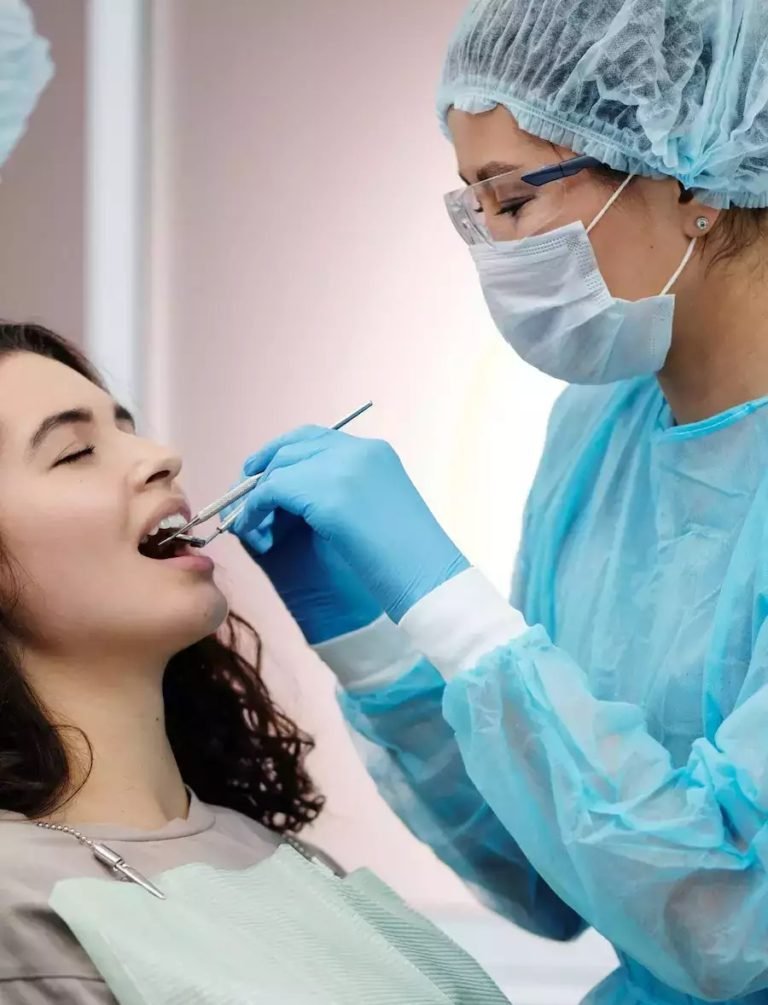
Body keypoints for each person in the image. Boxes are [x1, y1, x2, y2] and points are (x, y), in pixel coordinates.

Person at [227, 1, 768, 1003]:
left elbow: (734, 922)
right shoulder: (598, 433)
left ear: (690, 178)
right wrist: (379, 645)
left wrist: (464, 615)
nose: (491, 250)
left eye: (512, 201)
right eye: (470, 209)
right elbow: (554, 876)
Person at [0, 323, 510, 1005]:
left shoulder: (290, 862)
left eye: (129, 428)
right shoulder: (17, 905)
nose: (161, 456)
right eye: (76, 451)